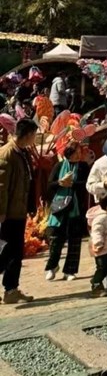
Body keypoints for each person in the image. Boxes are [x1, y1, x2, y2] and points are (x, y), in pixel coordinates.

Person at [0, 117, 38, 304]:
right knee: (6, 252)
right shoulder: (7, 153)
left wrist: (30, 206)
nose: (35, 138)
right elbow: (1, 186)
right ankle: (10, 288)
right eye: (34, 134)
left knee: (14, 253)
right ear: (28, 134)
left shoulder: (23, 152)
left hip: (18, 211)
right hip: (8, 214)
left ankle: (11, 290)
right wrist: (1, 212)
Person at [44, 140, 92, 281]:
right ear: (69, 153)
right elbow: (50, 185)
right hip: (59, 206)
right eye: (76, 152)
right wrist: (60, 183)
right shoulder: (59, 166)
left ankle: (70, 271)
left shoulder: (83, 166)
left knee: (74, 239)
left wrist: (72, 184)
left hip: (75, 207)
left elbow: (86, 184)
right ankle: (52, 266)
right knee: (56, 238)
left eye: (79, 152)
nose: (78, 155)